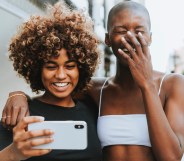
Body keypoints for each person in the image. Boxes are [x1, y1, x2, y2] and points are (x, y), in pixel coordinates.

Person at [2, 1, 184, 161]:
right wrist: (18, 95)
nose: (130, 37)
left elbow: (171, 157)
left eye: (139, 31)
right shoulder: (96, 89)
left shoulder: (173, 84)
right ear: (107, 39)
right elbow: (56, 90)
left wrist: (147, 85)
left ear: (150, 37)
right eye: (121, 31)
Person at [0, 1, 102, 161]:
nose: (61, 75)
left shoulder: (93, 110)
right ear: (37, 68)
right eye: (51, 66)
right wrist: (13, 153)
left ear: (81, 68)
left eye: (69, 66)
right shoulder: (21, 115)